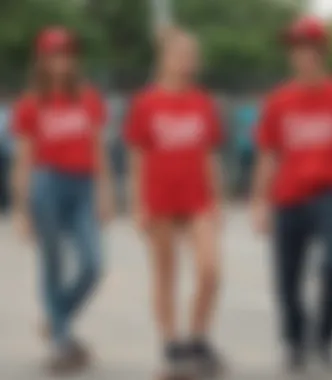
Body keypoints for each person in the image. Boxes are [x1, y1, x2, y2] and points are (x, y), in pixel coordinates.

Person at [252, 17, 332, 372]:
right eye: (294, 48)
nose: (300, 55)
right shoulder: (279, 100)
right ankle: (295, 342)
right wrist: (260, 202)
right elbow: (268, 154)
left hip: (329, 194)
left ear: (321, 52)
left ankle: (325, 338)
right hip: (288, 196)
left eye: (306, 48)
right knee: (287, 276)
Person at [11, 27, 113, 375]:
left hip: (83, 186)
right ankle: (61, 341)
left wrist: (105, 193)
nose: (62, 61)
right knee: (52, 265)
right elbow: (23, 161)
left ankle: (57, 321)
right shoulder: (30, 104)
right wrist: (22, 210)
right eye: (54, 54)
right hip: (47, 185)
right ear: (41, 59)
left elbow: (99, 150)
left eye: (67, 54)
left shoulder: (89, 98)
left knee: (93, 264)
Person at [124, 27, 224, 378]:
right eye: (179, 54)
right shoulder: (146, 102)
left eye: (191, 56)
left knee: (210, 270)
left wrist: (217, 200)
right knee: (166, 274)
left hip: (197, 198)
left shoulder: (202, 102)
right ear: (164, 58)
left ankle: (197, 335)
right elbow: (137, 157)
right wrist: (137, 205)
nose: (186, 62)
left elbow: (210, 154)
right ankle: (172, 344)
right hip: (161, 198)